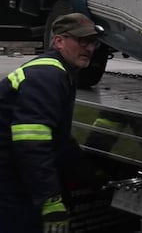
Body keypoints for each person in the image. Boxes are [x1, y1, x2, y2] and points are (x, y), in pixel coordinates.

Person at [0, 12, 102, 233]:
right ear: (58, 41)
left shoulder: (57, 72)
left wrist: (86, 175)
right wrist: (50, 199)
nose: (89, 48)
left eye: (93, 42)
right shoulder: (48, 75)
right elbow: (31, 142)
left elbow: (58, 138)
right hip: (9, 177)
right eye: (82, 40)